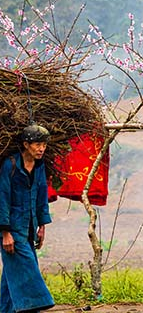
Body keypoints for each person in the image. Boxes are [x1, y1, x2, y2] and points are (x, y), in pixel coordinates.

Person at [0, 124, 55, 313]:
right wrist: (5, 233)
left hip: (30, 226)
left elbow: (42, 196)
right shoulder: (11, 165)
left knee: (12, 273)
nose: (41, 149)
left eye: (44, 145)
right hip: (12, 229)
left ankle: (5, 310)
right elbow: (2, 197)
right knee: (27, 268)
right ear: (25, 144)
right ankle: (38, 304)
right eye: (37, 144)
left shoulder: (40, 166)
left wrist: (42, 226)